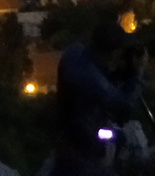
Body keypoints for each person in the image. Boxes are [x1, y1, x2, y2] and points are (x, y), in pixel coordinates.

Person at [49, 21, 148, 176]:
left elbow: (102, 78)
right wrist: (138, 74)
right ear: (114, 52)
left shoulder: (75, 53)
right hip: (83, 154)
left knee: (119, 138)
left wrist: (122, 72)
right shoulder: (90, 78)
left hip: (71, 141)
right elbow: (124, 106)